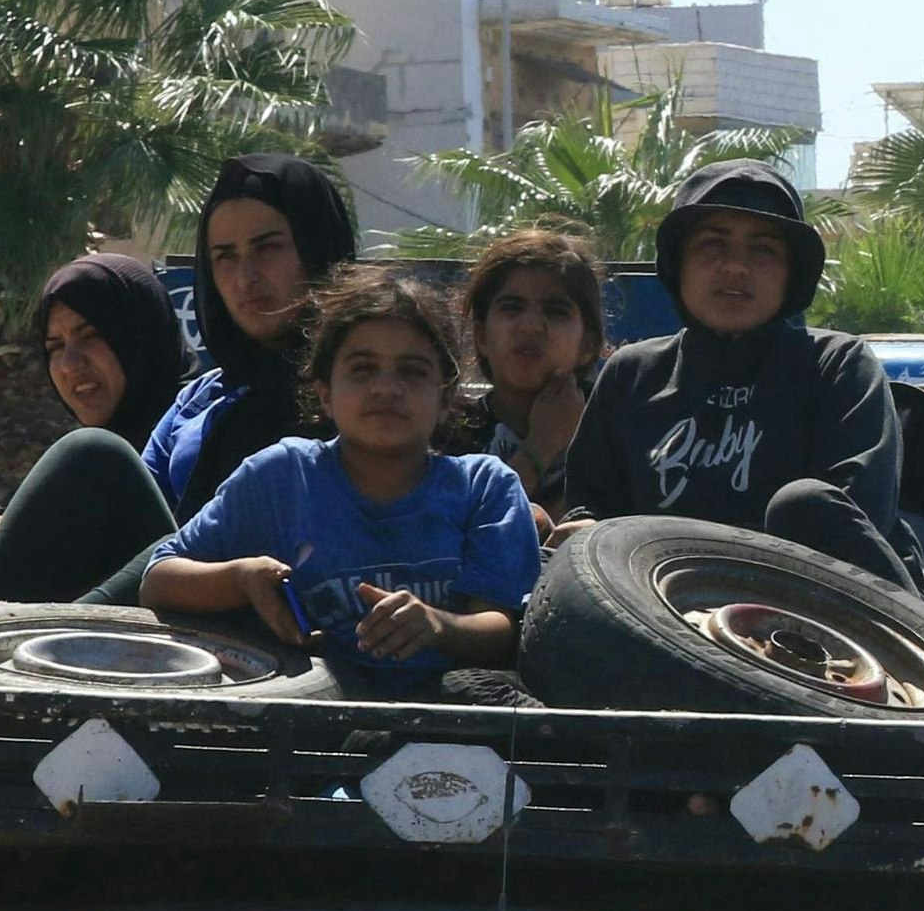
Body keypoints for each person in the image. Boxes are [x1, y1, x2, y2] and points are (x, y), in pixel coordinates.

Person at [140, 269, 534, 695]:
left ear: (446, 395)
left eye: (413, 371)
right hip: (314, 721)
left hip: (445, 725)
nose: (386, 388)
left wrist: (439, 626)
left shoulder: (485, 487)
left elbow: (502, 630)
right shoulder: (282, 477)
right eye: (362, 369)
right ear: (325, 393)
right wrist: (240, 578)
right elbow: (158, 580)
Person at [558, 161, 924, 591]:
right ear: (677, 263)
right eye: (712, 245)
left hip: (840, 618)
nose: (735, 267)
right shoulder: (631, 374)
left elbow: (850, 517)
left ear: (792, 274)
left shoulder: (838, 365)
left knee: (803, 504)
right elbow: (590, 512)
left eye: (763, 249)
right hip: (663, 616)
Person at [0, 253, 195, 605]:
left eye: (90, 336)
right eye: (55, 346)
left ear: (139, 337)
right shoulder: (89, 467)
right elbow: (60, 546)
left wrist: (24, 551)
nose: (69, 364)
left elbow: (178, 554)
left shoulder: (196, 432)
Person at [148, 152, 356, 523]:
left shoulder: (362, 387)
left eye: (267, 248)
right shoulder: (203, 397)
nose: (245, 278)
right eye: (225, 256)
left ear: (316, 248)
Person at [444, 228, 604, 506]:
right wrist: (540, 447)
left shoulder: (616, 431)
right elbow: (460, 530)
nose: (530, 326)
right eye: (512, 308)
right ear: (481, 337)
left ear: (588, 346)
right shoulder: (448, 432)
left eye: (555, 311)